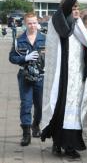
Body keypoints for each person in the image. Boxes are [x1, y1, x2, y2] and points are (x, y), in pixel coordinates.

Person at [40, 0, 87, 159]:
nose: (75, 11)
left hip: (76, 75)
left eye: (77, 8)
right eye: (72, 8)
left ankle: (65, 144)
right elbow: (65, 9)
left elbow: (86, 46)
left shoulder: (78, 24)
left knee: (72, 111)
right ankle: (63, 145)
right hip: (63, 75)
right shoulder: (59, 21)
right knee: (61, 108)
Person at [9, 12, 46, 146]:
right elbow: (12, 58)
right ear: (25, 24)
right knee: (26, 104)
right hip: (25, 75)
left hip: (41, 76)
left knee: (40, 105)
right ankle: (26, 134)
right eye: (29, 23)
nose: (32, 25)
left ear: (38, 23)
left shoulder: (44, 39)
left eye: (34, 22)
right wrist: (25, 58)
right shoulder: (19, 40)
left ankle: (35, 126)